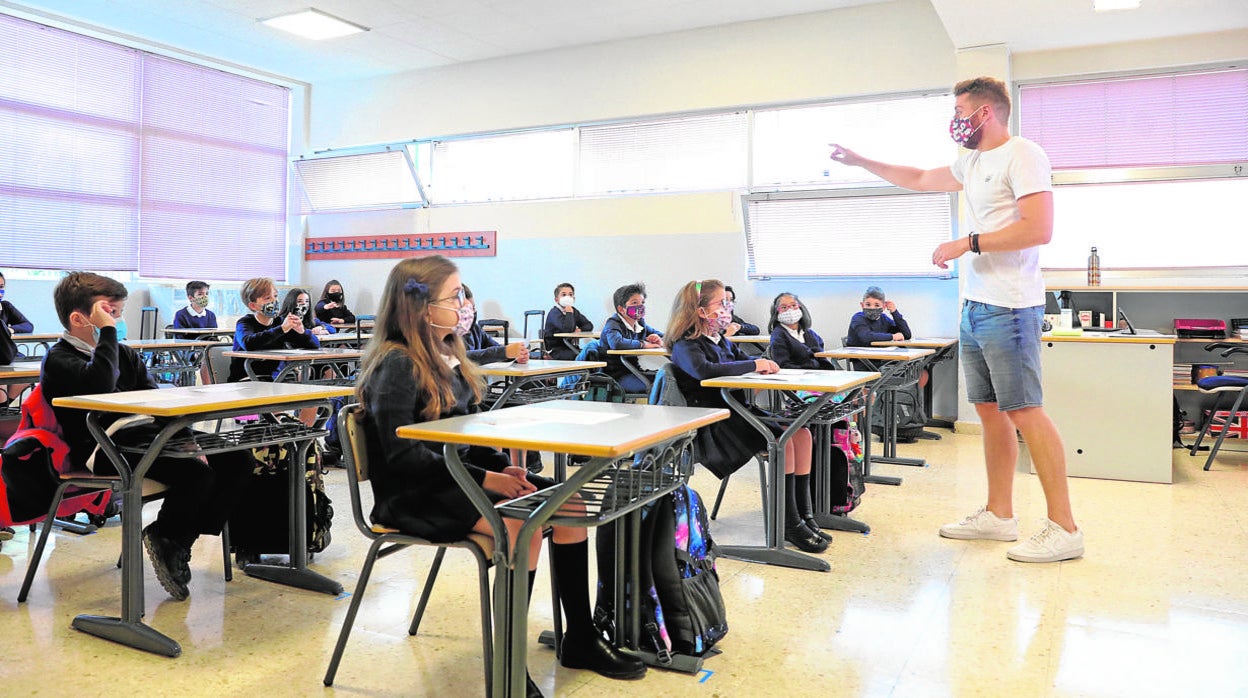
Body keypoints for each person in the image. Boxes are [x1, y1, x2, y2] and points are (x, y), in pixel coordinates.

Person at [355, 256, 646, 696]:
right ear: (419, 307)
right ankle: (508, 665)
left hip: (456, 481)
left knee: (571, 502)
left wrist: (499, 467)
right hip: (413, 494)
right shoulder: (396, 364)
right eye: (454, 296)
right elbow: (402, 456)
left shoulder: (447, 353)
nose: (464, 303)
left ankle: (580, 639)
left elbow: (466, 437)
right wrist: (487, 480)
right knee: (521, 525)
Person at [830, 76, 1082, 563]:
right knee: (989, 412)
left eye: (961, 110)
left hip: (1010, 306)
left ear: (985, 113)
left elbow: (1039, 228)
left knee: (1025, 410)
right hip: (975, 304)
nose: (956, 119)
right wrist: (862, 161)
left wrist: (966, 243)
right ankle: (999, 514)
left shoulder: (1023, 154)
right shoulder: (972, 161)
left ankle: (1064, 527)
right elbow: (920, 177)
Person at [39, 272, 253, 600]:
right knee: (195, 475)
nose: (117, 321)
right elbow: (100, 385)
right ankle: (170, 536)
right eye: (110, 313)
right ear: (79, 318)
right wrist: (108, 334)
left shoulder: (122, 353)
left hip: (148, 436)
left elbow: (155, 400)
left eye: (119, 314)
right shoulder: (59, 359)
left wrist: (185, 437)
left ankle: (175, 538)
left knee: (236, 459)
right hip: (104, 447)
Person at [666, 279, 829, 551]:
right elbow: (705, 371)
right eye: (721, 303)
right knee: (785, 440)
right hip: (715, 426)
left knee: (802, 433)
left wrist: (760, 367)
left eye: (728, 303)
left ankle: (804, 514)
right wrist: (755, 364)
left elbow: (741, 362)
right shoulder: (687, 344)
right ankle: (788, 523)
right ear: (700, 310)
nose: (727, 308)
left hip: (740, 414)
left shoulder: (720, 340)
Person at [228, 278, 319, 383]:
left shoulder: (279, 322)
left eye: (275, 296)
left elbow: (314, 345)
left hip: (272, 380)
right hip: (245, 380)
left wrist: (302, 332)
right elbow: (248, 343)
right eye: (267, 298)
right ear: (253, 305)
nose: (274, 301)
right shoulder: (245, 323)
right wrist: (281, 329)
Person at [599, 282, 663, 393]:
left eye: (642, 302)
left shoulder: (640, 323)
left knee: (668, 378)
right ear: (621, 309)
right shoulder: (613, 323)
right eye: (634, 303)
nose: (640, 306)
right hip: (615, 377)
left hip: (634, 371)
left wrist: (658, 338)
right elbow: (617, 343)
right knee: (659, 385)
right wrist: (643, 344)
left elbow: (664, 335)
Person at [462, 284, 529, 365]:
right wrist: (505, 352)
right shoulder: (449, 335)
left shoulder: (475, 329)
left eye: (473, 308)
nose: (472, 312)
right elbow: (463, 357)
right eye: (467, 309)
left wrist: (515, 356)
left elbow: (494, 347)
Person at [767, 293, 837, 371]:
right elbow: (784, 365)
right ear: (776, 312)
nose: (790, 310)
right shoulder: (778, 336)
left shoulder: (809, 333)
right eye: (784, 307)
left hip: (818, 375)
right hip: (798, 378)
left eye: (794, 305)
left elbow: (821, 358)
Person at [0, 270, 35, 403]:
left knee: (27, 373)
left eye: (1, 287)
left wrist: (10, 329)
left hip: (6, 352)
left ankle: (4, 407)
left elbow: (28, 325)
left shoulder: (6, 306)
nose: (0, 291)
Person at [542, 282, 593, 361]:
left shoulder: (574, 311)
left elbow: (589, 325)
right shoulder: (554, 312)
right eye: (564, 295)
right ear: (556, 299)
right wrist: (569, 313)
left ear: (574, 298)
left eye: (570, 294)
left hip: (569, 347)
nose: (568, 297)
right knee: (583, 357)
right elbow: (567, 330)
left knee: (592, 353)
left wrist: (580, 329)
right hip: (555, 350)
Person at [846, 286, 912, 347]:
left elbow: (906, 335)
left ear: (883, 307)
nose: (872, 308)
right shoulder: (857, 318)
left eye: (877, 305)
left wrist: (895, 312)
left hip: (879, 355)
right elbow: (866, 337)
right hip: (861, 357)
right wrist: (893, 337)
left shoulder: (884, 318)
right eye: (868, 305)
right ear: (862, 305)